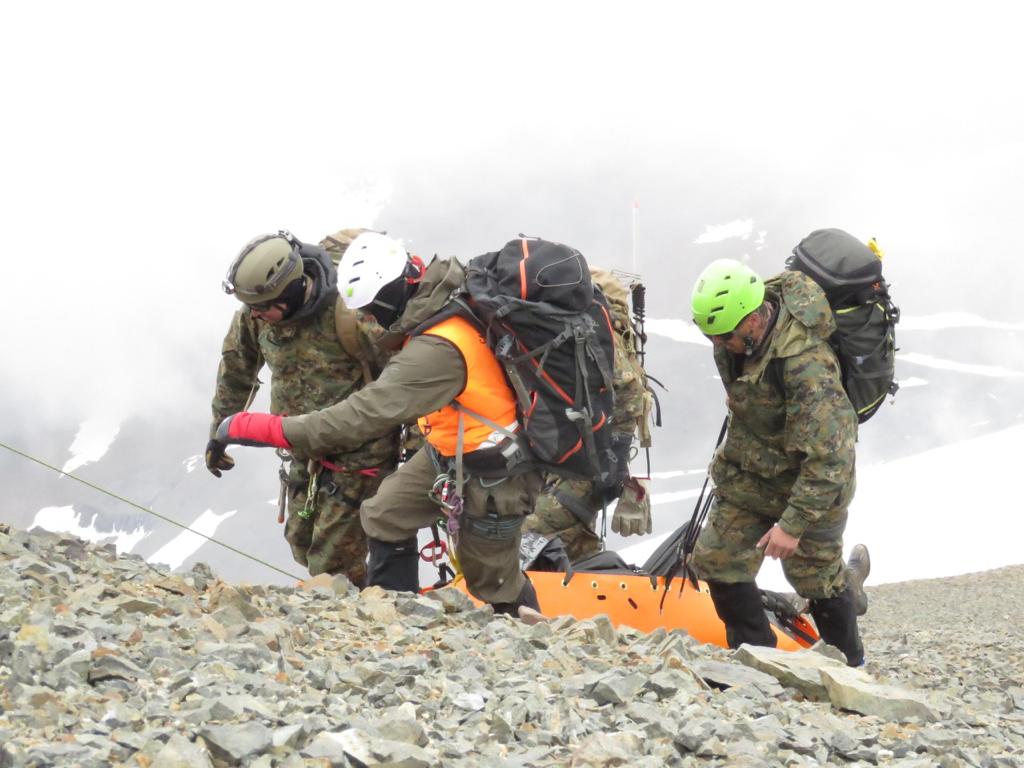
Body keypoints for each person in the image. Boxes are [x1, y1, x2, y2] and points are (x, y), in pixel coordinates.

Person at [215, 232, 544, 616]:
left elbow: (361, 415)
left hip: (491, 467)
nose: (368, 319)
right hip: (446, 451)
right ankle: (397, 619)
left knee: (490, 579)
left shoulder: (434, 347)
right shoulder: (425, 314)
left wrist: (258, 428)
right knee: (383, 514)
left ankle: (536, 640)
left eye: (371, 311)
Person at [689, 257, 868, 666]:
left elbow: (831, 459)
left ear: (754, 320)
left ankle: (853, 668)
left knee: (814, 579)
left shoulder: (807, 367)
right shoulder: (735, 339)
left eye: (725, 336)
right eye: (710, 335)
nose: (718, 344)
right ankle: (759, 661)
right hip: (753, 474)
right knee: (717, 558)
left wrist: (792, 525)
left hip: (813, 482)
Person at [206, 230, 400, 586]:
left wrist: (416, 455)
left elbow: (408, 382)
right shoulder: (255, 314)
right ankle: (365, 598)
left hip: (360, 457)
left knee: (332, 560)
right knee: (301, 542)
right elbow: (236, 371)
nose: (257, 315)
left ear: (292, 290)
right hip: (301, 449)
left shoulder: (352, 315)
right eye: (253, 308)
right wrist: (219, 433)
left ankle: (365, 611)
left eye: (264, 307)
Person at [523, 267, 653, 563]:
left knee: (531, 531)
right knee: (568, 538)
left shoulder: (591, 336)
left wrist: (615, 457)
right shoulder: (568, 334)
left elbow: (628, 388)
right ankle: (584, 576)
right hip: (566, 453)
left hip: (590, 458)